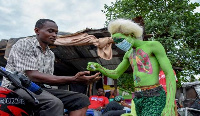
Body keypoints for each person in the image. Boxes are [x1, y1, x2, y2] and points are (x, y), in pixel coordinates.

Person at [1, 19, 100, 116]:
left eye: (56, 33)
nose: (54, 35)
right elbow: (32, 76)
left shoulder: (50, 54)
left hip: (38, 88)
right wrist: (74, 79)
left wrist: (78, 80)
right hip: (16, 87)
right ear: (37, 31)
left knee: (81, 99)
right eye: (50, 31)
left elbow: (48, 79)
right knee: (54, 103)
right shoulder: (25, 44)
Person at [87, 18, 176, 116]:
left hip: (154, 95)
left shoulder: (153, 45)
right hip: (137, 96)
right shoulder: (128, 54)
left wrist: (170, 104)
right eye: (116, 41)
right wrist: (99, 67)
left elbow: (169, 73)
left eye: (120, 40)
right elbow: (116, 74)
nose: (119, 44)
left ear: (131, 34)